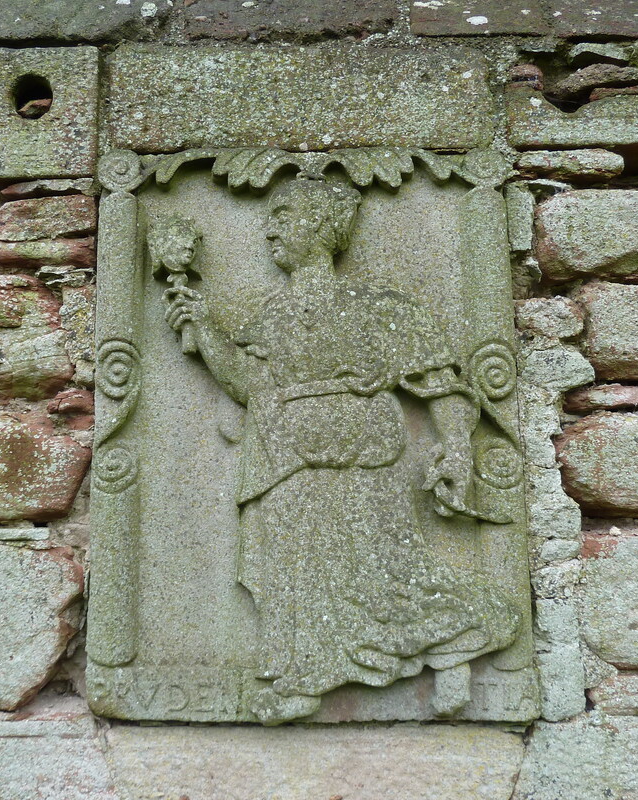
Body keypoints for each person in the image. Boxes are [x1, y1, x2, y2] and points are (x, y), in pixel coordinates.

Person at [162, 176, 520, 723]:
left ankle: (454, 648)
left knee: (387, 572)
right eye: (271, 217)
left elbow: (439, 384)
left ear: (324, 228)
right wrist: (204, 330)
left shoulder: (381, 308)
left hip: (361, 452)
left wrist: (455, 448)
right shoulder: (271, 316)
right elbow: (251, 384)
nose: (270, 227)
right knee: (293, 575)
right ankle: (302, 680)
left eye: (285, 215)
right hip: (285, 459)